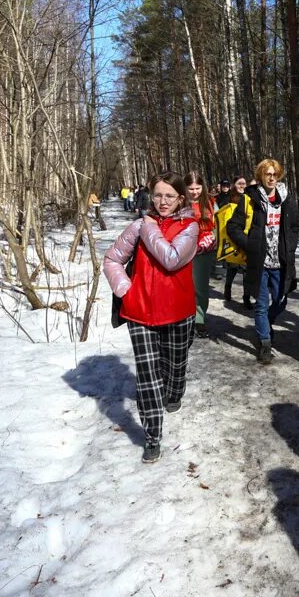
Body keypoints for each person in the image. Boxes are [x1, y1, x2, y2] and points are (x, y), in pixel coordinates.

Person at [103, 172, 199, 464]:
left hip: (178, 311)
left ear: (180, 198)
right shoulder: (139, 225)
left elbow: (171, 258)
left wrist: (149, 229)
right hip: (139, 312)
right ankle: (152, 437)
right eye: (157, 195)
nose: (163, 202)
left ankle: (175, 392)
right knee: (147, 377)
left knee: (175, 365)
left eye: (170, 196)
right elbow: (111, 259)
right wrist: (126, 290)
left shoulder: (190, 227)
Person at [226, 158, 299, 364]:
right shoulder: (250, 198)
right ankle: (265, 343)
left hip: (281, 262)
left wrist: (291, 246)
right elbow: (233, 226)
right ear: (260, 176)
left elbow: (295, 226)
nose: (271, 178)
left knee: (280, 300)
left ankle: (265, 324)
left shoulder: (286, 198)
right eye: (267, 174)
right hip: (258, 262)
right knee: (260, 305)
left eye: (275, 174)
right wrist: (250, 244)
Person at [185, 172, 217, 338]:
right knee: (185, 286)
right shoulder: (180, 202)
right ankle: (185, 318)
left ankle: (200, 319)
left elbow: (218, 224)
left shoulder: (210, 202)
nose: (195, 192)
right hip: (183, 250)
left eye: (197, 188)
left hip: (204, 250)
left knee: (201, 287)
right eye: (191, 188)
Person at [215, 176, 251, 308]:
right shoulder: (227, 199)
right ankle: (228, 287)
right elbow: (222, 219)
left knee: (247, 270)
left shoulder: (248, 198)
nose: (242, 185)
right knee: (233, 268)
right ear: (234, 185)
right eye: (239, 183)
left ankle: (246, 298)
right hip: (232, 238)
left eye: (244, 183)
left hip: (246, 237)